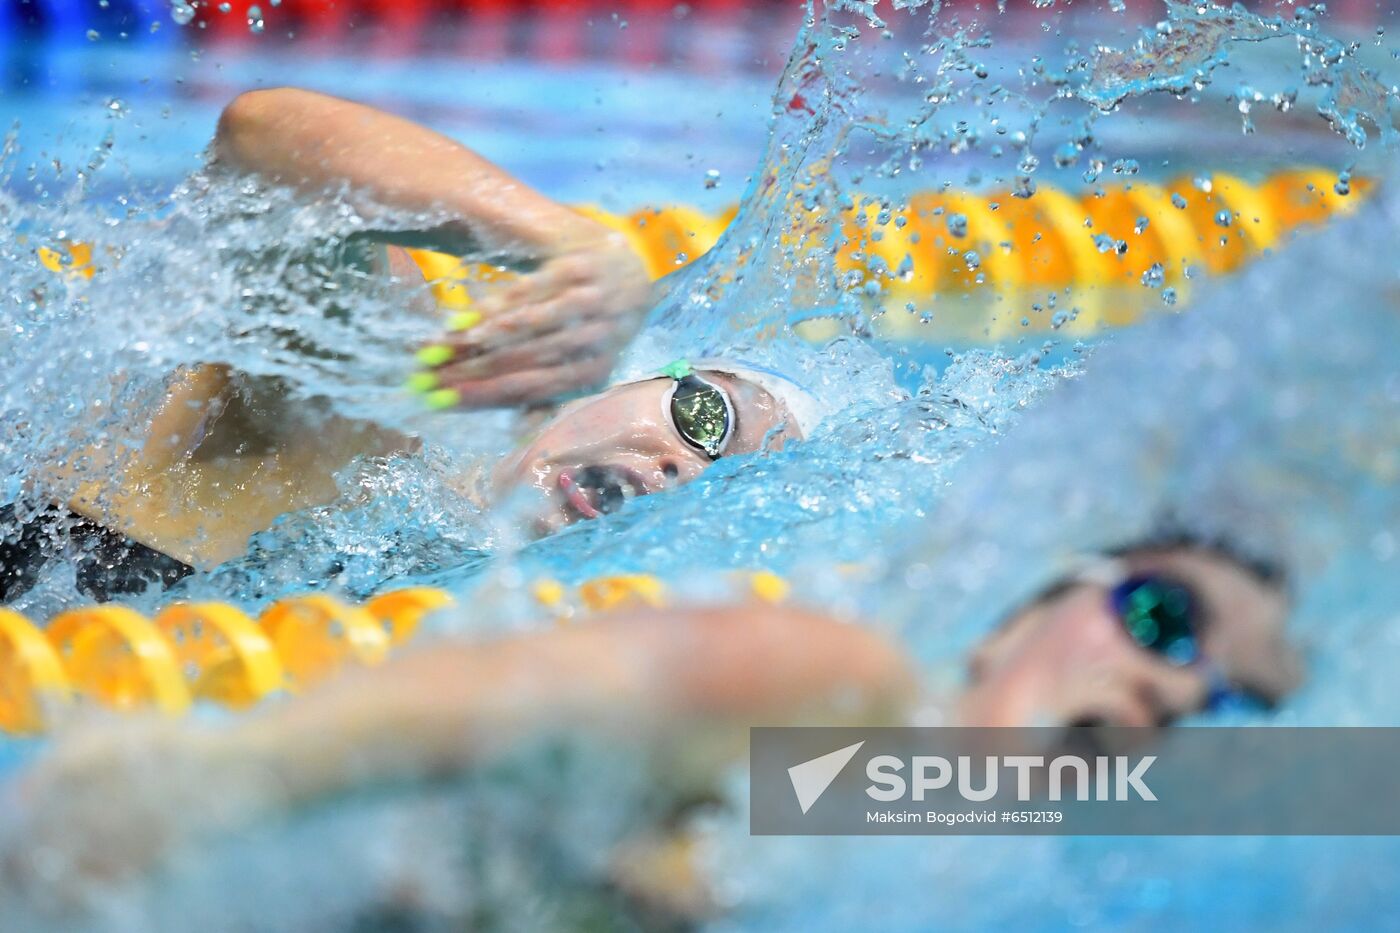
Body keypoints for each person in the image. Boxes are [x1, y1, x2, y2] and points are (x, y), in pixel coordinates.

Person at [1, 89, 818, 600]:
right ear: (632, 375)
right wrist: (573, 248)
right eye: (708, 419)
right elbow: (263, 142)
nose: (687, 471)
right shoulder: (382, 408)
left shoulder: (459, 596)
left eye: (725, 488)